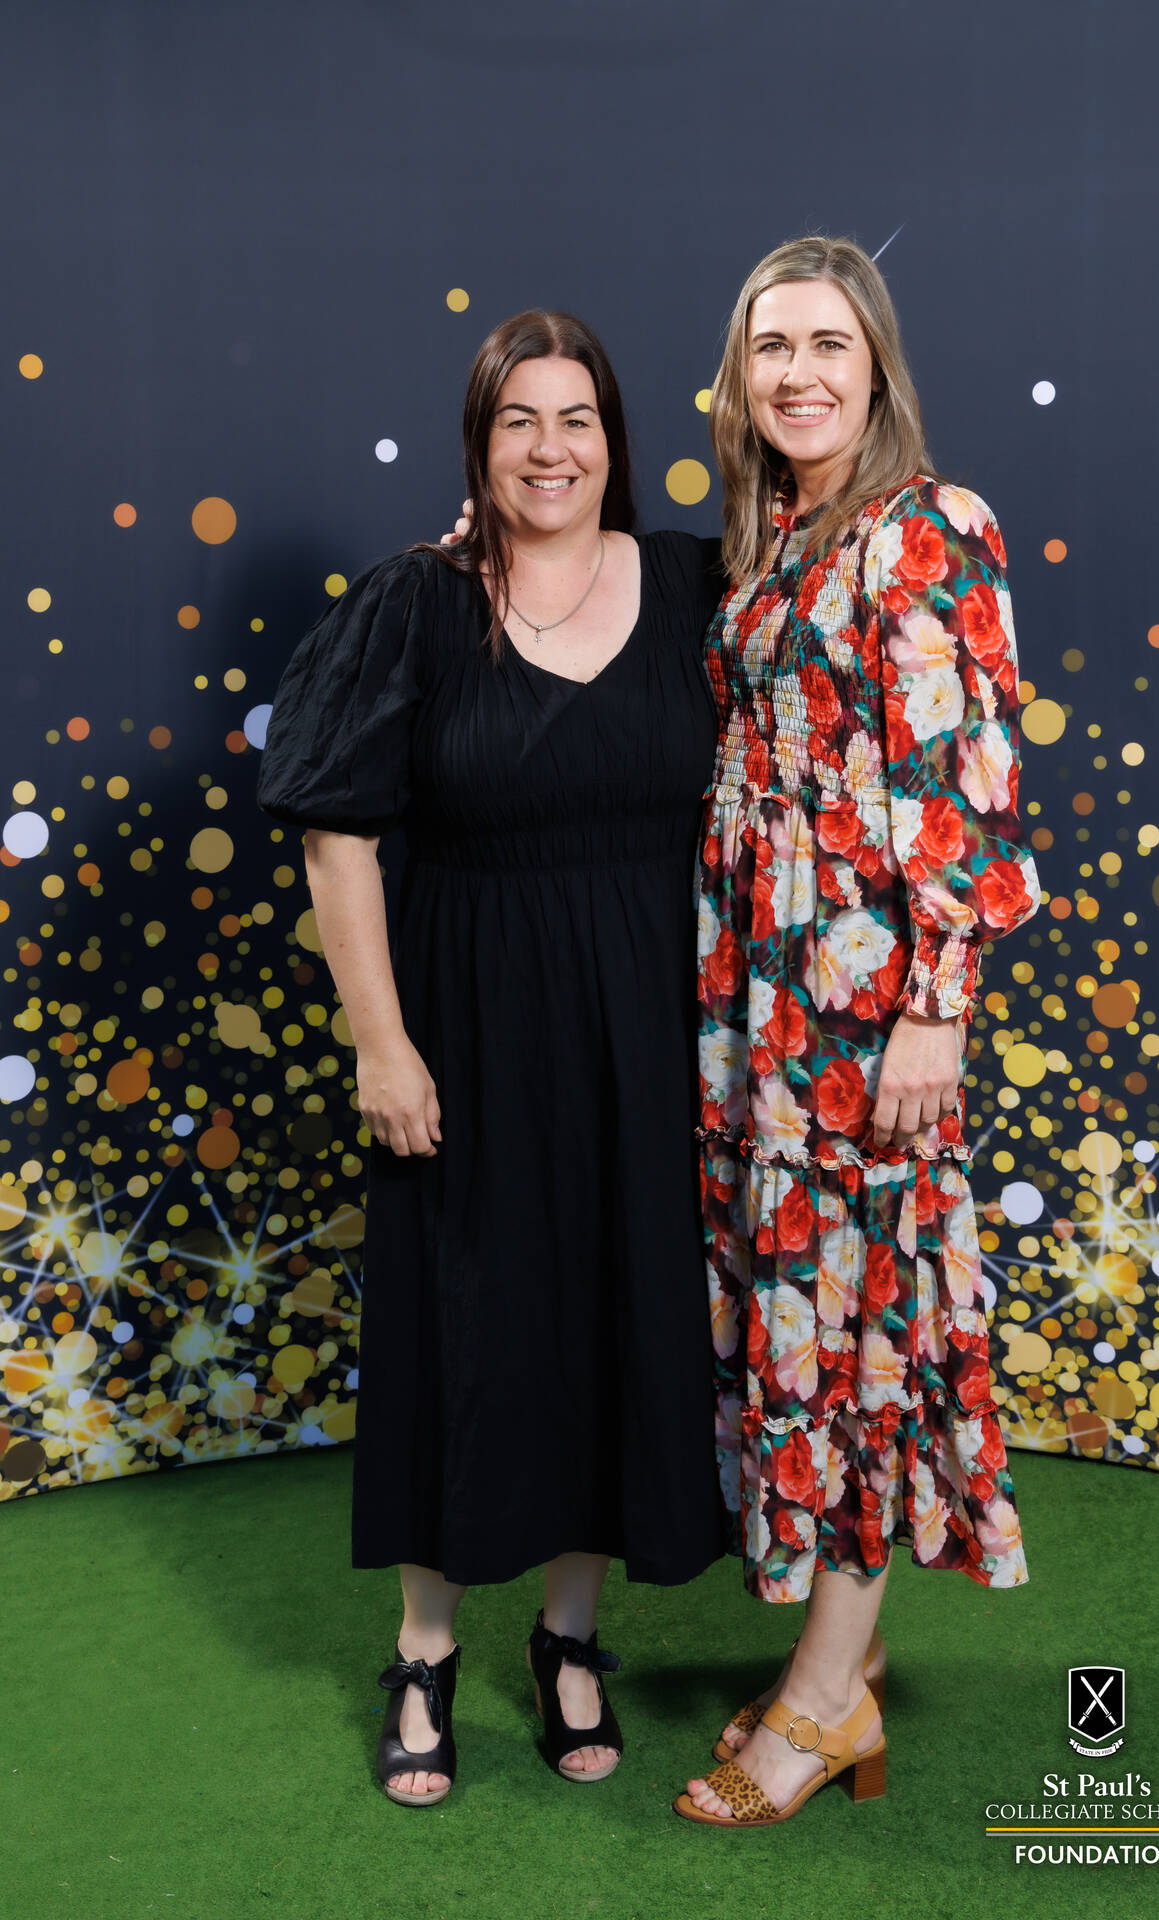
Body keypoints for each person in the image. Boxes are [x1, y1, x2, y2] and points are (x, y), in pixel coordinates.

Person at [256, 310, 726, 1807]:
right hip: (463, 1026)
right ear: (480, 442)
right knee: (461, 1329)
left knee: (612, 1316)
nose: (549, 448)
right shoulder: (416, 601)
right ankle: (425, 1650)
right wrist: (381, 1046)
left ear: (614, 440)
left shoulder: (700, 586)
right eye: (518, 419)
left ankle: (569, 1637)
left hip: (650, 1033)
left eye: (575, 418)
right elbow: (338, 839)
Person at [673, 236, 1040, 1828]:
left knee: (859, 1330)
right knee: (802, 1318)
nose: (798, 372)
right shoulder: (774, 537)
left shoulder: (925, 526)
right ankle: (848, 1657)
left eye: (827, 343)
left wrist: (933, 1010)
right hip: (756, 997)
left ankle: (823, 1704)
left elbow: (969, 784)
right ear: (738, 374)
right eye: (771, 347)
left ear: (875, 363)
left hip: (862, 1002)